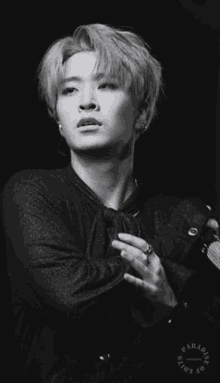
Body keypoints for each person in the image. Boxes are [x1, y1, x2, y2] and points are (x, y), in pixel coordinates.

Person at [1, 23, 220, 382]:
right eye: (69, 90)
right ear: (58, 117)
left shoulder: (174, 211)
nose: (87, 101)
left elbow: (204, 353)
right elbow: (70, 293)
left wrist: (169, 308)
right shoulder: (30, 191)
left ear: (143, 113)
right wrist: (176, 247)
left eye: (107, 85)